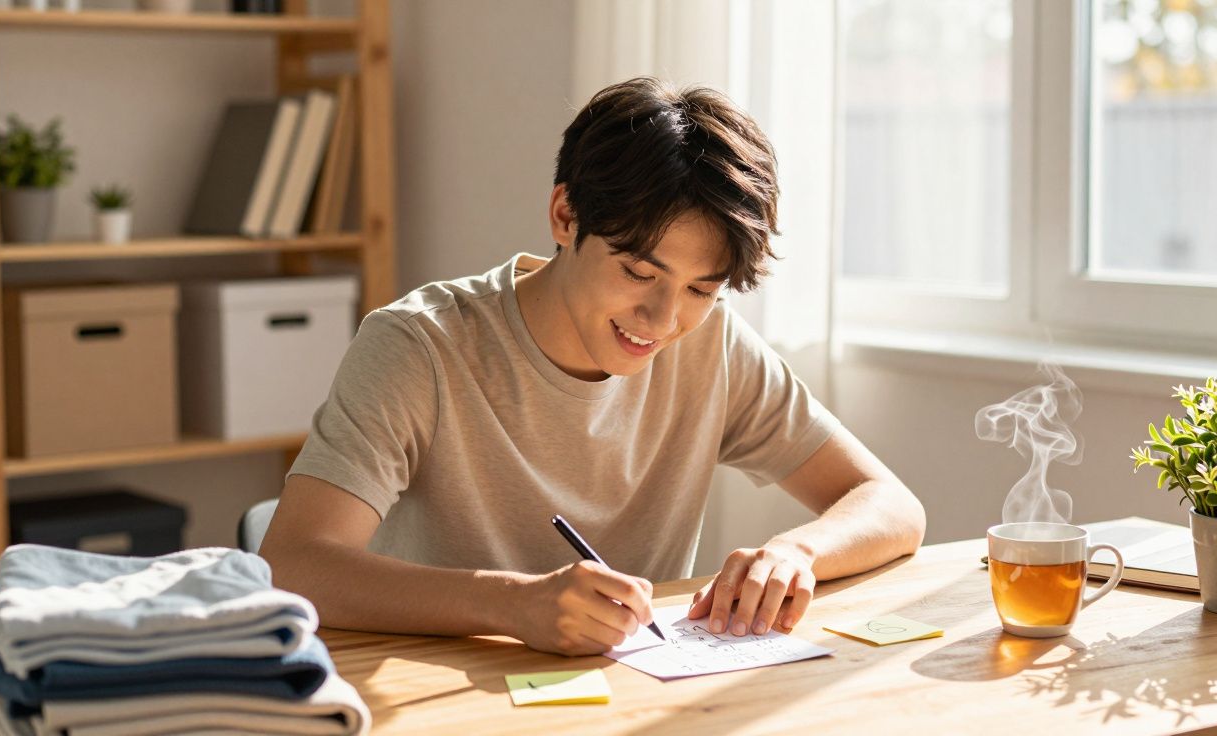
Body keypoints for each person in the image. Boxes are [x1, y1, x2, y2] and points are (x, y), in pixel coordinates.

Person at [260, 77, 926, 656]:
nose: (664, 320)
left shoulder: (712, 346)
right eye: (640, 272)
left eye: (702, 289)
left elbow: (892, 505)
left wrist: (795, 554)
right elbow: (293, 564)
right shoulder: (420, 347)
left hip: (630, 694)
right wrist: (510, 605)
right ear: (563, 215)